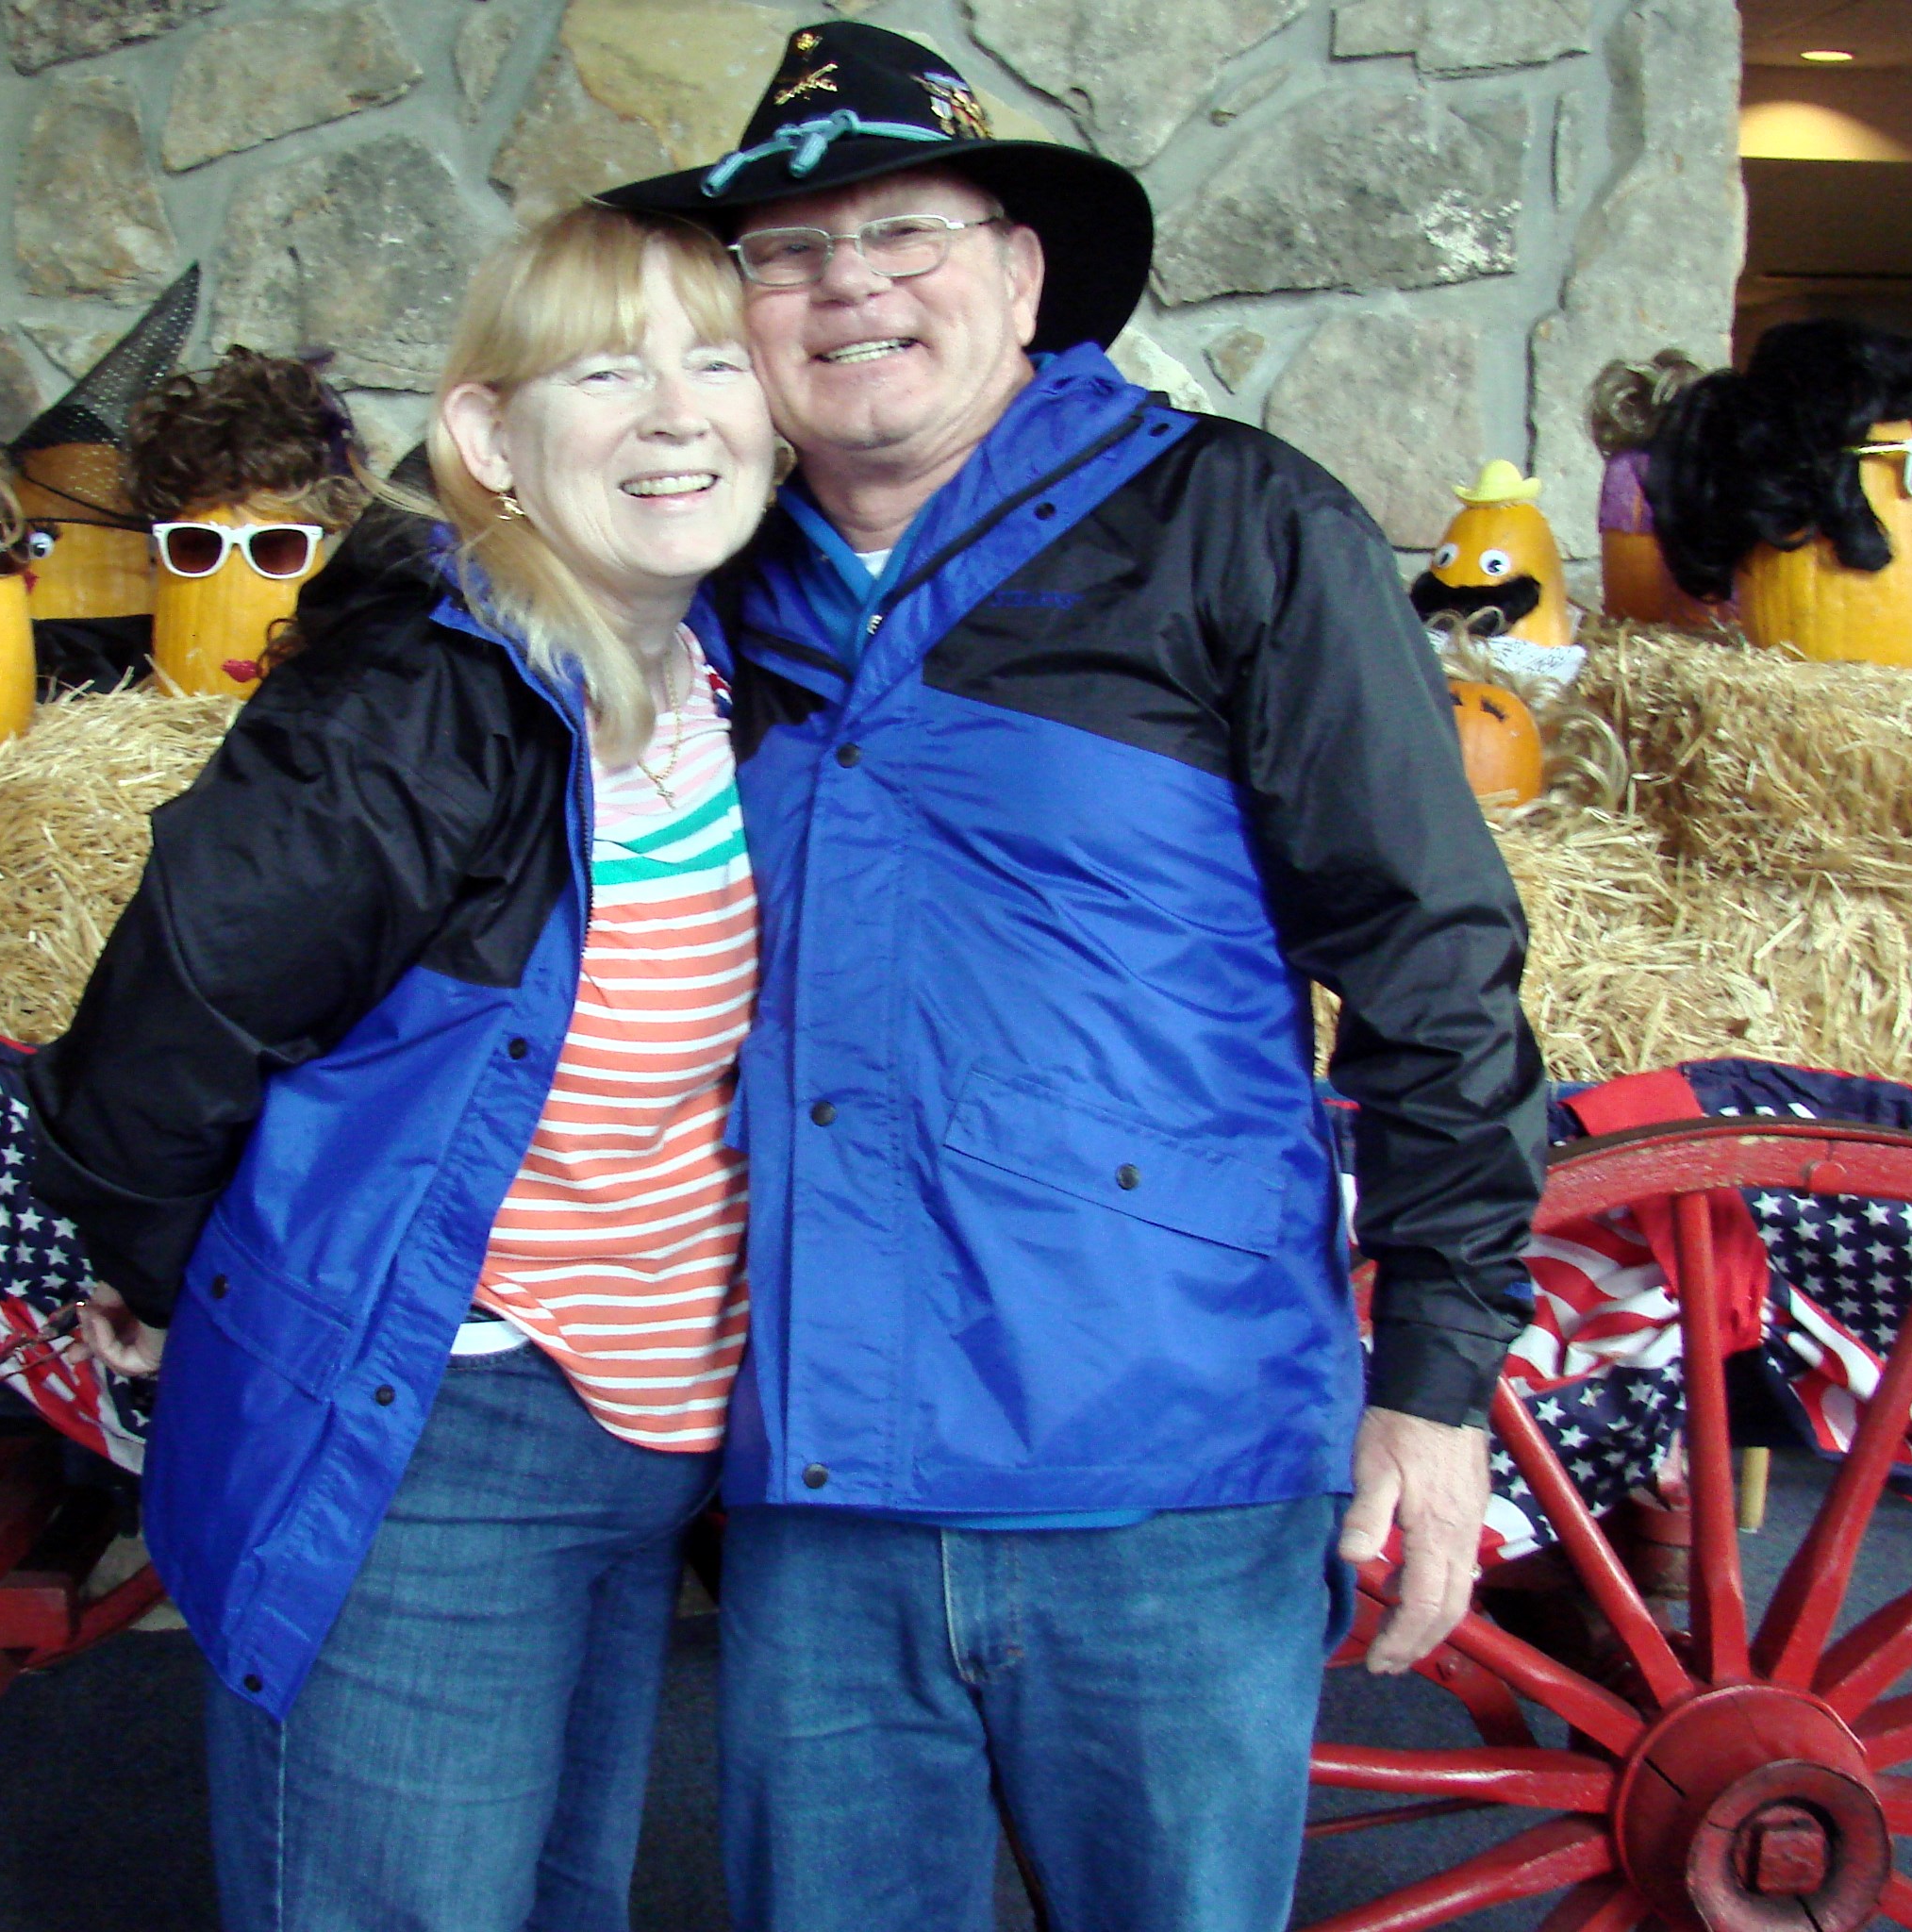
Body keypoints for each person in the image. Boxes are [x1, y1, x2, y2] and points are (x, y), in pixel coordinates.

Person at [600, 26, 1546, 1931]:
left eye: (907, 231)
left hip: (1165, 1471)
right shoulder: (690, 573)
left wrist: (1438, 1384)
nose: (849, 284)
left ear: (1024, 274)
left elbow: (1433, 962)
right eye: (787, 254)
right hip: (819, 1477)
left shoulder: (1236, 524)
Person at [30, 204, 776, 1932]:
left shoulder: (715, 671)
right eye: (608, 371)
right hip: (438, 1428)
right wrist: (183, 1286)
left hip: (650, 1425)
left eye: (718, 360)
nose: (680, 413)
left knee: (563, 1903)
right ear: (489, 436)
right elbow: (159, 1036)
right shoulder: (418, 700)